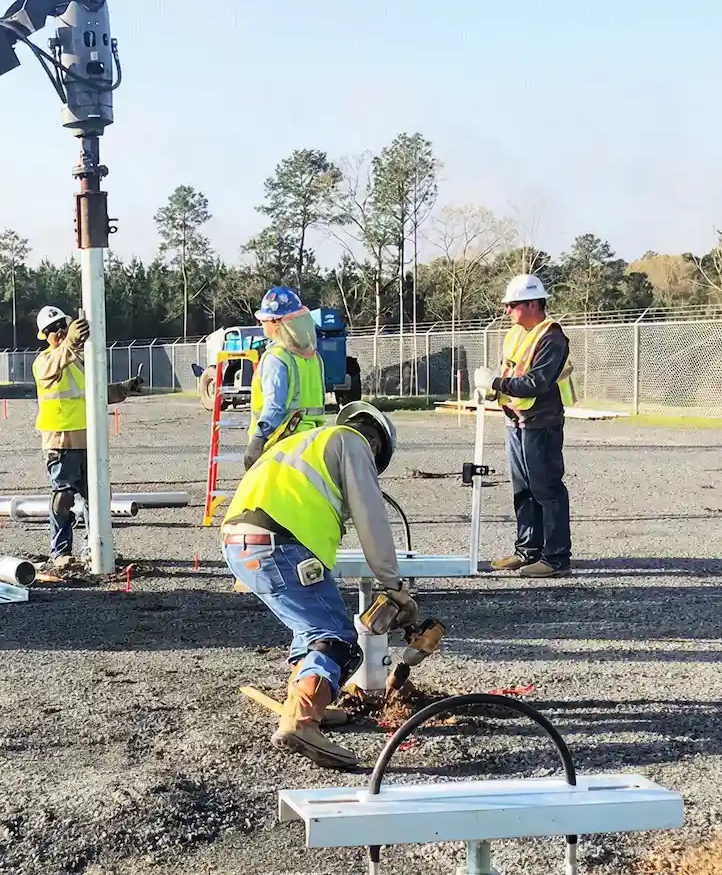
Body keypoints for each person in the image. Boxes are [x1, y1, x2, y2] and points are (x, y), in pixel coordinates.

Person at [221, 402, 433, 769]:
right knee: (334, 636)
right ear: (377, 445)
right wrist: (393, 585)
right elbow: (372, 519)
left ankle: (308, 703)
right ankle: (302, 721)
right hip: (279, 543)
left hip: (239, 540)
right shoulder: (352, 443)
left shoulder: (305, 444)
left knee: (311, 629)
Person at [476, 273, 578, 579]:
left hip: (541, 424)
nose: (508, 312)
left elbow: (536, 381)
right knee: (523, 490)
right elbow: (513, 372)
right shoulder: (517, 333)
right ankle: (527, 550)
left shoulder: (552, 337)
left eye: (514, 305)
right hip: (516, 422)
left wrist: (494, 382)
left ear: (533, 303)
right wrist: (494, 387)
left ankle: (556, 557)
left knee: (546, 489)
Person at [32, 304, 142, 576]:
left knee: (97, 498)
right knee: (63, 499)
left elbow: (94, 392)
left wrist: (123, 389)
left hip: (89, 441)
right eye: (51, 330)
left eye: (61, 326)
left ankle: (96, 547)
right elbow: (56, 361)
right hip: (60, 443)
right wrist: (68, 341)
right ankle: (61, 553)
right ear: (44, 336)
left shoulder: (79, 361)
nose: (57, 332)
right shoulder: (43, 362)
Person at [244, 286, 329, 471]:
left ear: (276, 322)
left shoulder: (276, 358)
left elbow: (275, 407)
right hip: (313, 443)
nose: (262, 325)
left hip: (282, 447)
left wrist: (258, 439)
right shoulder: (314, 358)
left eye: (264, 320)